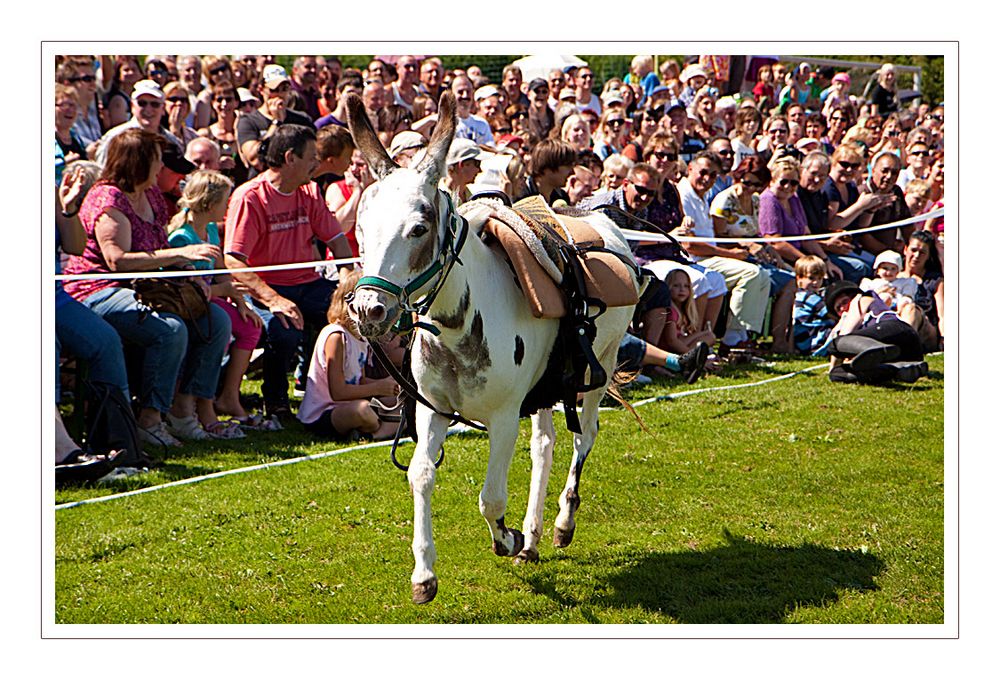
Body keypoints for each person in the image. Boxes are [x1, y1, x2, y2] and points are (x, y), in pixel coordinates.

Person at [62, 129, 233, 447]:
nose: (161, 168)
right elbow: (116, 260)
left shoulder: (152, 194)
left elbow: (161, 246)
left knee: (216, 321)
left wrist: (187, 272)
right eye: (156, 160)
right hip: (96, 289)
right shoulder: (108, 197)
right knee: (169, 329)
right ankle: (149, 419)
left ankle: (183, 411)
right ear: (138, 162)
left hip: (147, 285)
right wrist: (179, 255)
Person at [224, 124, 354, 420]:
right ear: (290, 158)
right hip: (265, 289)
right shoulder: (250, 197)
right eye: (311, 156)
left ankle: (327, 390)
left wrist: (348, 278)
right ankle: (276, 400)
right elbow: (233, 260)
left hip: (308, 283)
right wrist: (273, 299)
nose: (316, 164)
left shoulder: (309, 191)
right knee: (283, 329)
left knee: (346, 313)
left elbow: (335, 239)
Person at [166, 170, 262, 438]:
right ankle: (204, 405)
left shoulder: (209, 229)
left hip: (212, 298)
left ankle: (226, 397)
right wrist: (226, 290)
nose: (228, 206)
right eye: (225, 202)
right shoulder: (182, 239)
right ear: (209, 204)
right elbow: (190, 291)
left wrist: (240, 301)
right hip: (190, 305)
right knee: (217, 328)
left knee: (249, 325)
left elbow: (220, 269)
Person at [678, 151, 770, 350]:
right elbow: (689, 245)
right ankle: (731, 340)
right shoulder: (684, 195)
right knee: (751, 273)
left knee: (763, 277)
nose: (707, 179)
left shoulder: (702, 196)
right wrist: (732, 254)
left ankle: (743, 335)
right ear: (690, 169)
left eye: (713, 175)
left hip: (706, 257)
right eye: (703, 172)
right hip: (692, 260)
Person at [298, 270, 401, 441]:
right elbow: (337, 392)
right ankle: (382, 429)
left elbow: (359, 380)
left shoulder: (361, 338)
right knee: (363, 411)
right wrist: (378, 388)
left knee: (405, 402)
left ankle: (371, 434)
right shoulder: (336, 336)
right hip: (325, 412)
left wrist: (389, 386)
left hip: (353, 401)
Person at [823, 280, 927, 385]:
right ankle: (899, 370)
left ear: (853, 296)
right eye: (838, 309)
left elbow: (846, 332)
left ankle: (873, 348)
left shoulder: (862, 299)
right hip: (909, 353)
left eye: (844, 302)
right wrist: (833, 372)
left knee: (835, 344)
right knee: (837, 374)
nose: (842, 308)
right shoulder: (861, 331)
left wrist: (833, 365)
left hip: (894, 329)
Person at [796, 151, 870, 283]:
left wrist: (837, 236)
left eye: (822, 176)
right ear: (802, 170)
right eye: (813, 174)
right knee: (858, 268)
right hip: (807, 252)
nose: (817, 180)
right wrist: (826, 245)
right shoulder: (795, 195)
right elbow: (799, 238)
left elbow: (823, 227)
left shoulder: (820, 194)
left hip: (822, 248)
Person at [236, 64, 314, 179]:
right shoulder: (248, 121)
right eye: (274, 90)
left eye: (284, 89)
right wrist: (276, 122)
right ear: (261, 90)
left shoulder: (302, 120)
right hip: (263, 186)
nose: (280, 95)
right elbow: (254, 159)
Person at [95, 79, 184, 166]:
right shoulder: (115, 138)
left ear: (163, 108)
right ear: (132, 106)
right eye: (142, 103)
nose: (148, 109)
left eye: (155, 104)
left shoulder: (172, 142)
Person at [900, 230, 944, 351]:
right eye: (913, 250)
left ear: (928, 256)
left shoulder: (935, 281)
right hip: (893, 320)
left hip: (925, 328)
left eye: (922, 252)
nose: (917, 256)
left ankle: (902, 348)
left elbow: (943, 314)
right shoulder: (892, 277)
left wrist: (944, 338)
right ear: (905, 250)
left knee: (910, 309)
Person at [792, 255, 837, 356]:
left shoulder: (797, 294)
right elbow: (827, 313)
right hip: (810, 336)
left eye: (820, 278)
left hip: (799, 337)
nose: (816, 282)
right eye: (811, 278)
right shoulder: (808, 297)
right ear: (799, 277)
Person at [451, 74, 494, 145]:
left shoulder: (482, 124)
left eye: (468, 91)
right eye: (460, 92)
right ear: (451, 94)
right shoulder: (445, 125)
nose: (465, 95)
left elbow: (491, 149)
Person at [103, 55, 143, 128]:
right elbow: (118, 129)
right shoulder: (118, 100)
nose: (131, 73)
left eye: (134, 69)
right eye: (126, 70)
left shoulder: (136, 96)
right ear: (118, 75)